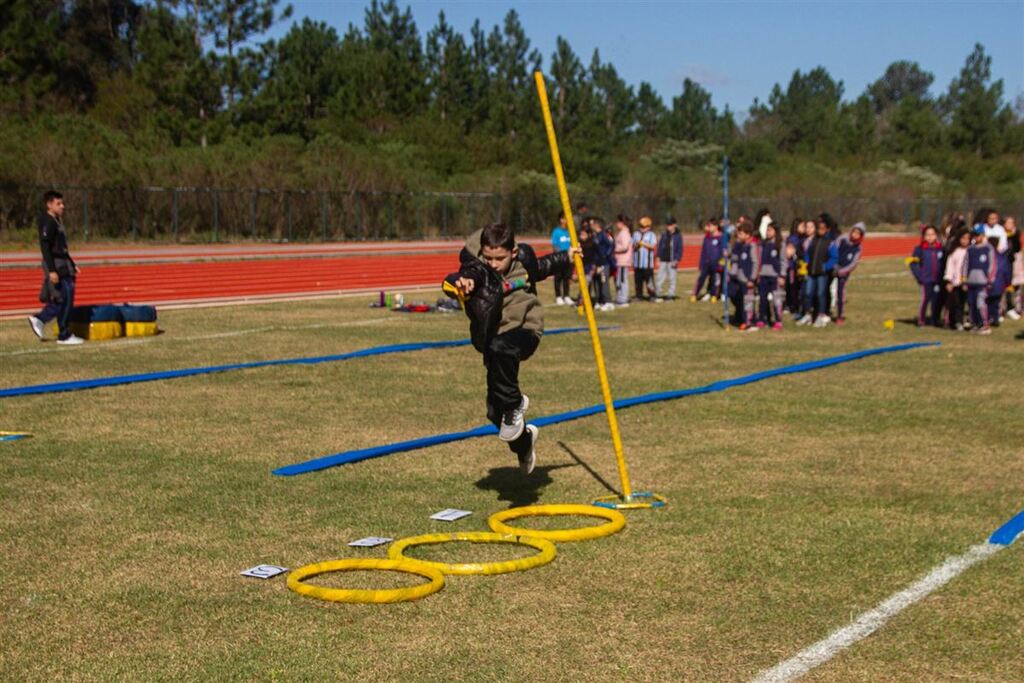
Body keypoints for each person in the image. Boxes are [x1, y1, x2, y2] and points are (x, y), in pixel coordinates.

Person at [442, 223, 574, 474]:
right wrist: (460, 283)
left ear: (513, 252)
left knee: (502, 350)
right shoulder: (478, 269)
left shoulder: (524, 260)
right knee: (495, 413)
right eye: (488, 257)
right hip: (494, 339)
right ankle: (524, 444)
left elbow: (543, 267)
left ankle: (515, 404)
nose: (493, 264)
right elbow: (461, 277)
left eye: (499, 259)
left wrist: (568, 257)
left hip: (526, 329)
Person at [28, 190, 84, 345]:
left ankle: (48, 324)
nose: (62, 206)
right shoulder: (48, 221)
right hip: (56, 264)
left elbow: (61, 247)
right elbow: (45, 247)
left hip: (63, 263)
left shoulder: (56, 220)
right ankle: (60, 332)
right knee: (64, 297)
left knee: (64, 298)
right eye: (58, 203)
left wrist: (72, 264)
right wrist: (52, 270)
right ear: (49, 204)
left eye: (62, 203)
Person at [797, 218, 837, 328]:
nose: (820, 230)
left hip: (822, 274)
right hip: (811, 272)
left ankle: (821, 315)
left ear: (827, 229)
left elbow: (834, 257)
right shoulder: (813, 241)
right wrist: (807, 263)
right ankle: (807, 315)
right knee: (808, 293)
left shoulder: (830, 243)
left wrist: (826, 267)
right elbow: (807, 253)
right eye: (819, 228)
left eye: (823, 228)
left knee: (820, 294)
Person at [962, 224, 997, 334]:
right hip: (971, 281)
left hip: (983, 282)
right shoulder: (970, 249)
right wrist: (964, 279)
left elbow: (993, 265)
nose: (976, 237)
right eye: (974, 235)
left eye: (978, 235)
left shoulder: (988, 248)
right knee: (971, 303)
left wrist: (990, 279)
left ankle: (985, 325)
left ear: (983, 235)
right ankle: (975, 324)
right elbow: (965, 264)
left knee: (980, 303)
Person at [910, 225, 945, 327]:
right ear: (924, 236)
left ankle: (935, 319)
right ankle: (921, 320)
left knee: (936, 300)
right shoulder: (919, 249)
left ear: (936, 235)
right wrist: (919, 276)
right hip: (926, 280)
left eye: (932, 234)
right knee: (926, 299)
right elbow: (913, 264)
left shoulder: (940, 249)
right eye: (927, 235)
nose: (930, 237)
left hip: (937, 279)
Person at [728, 222, 759, 330]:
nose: (738, 236)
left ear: (748, 234)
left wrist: (752, 279)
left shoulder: (752, 246)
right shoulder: (741, 246)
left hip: (748, 280)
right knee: (741, 300)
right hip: (740, 279)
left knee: (748, 301)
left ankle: (750, 322)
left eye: (741, 234)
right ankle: (744, 319)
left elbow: (755, 263)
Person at [755, 221, 786, 329]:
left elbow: (783, 261)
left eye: (770, 230)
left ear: (776, 231)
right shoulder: (763, 244)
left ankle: (778, 320)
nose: (767, 232)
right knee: (762, 299)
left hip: (775, 276)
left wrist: (782, 276)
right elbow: (759, 260)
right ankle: (762, 318)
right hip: (763, 275)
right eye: (767, 230)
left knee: (776, 299)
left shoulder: (780, 245)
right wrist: (758, 273)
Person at [833, 222, 865, 324]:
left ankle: (839, 316)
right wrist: (834, 266)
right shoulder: (842, 239)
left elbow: (854, 263)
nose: (855, 234)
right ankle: (823, 312)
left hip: (844, 272)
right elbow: (833, 250)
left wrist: (842, 271)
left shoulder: (858, 248)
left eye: (858, 233)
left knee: (840, 293)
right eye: (854, 231)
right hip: (833, 268)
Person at [943, 228, 971, 331]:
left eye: (968, 238)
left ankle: (969, 321)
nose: (965, 241)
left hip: (969, 283)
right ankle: (957, 322)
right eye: (963, 238)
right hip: (956, 283)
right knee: (957, 304)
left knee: (970, 304)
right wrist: (948, 281)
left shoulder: (972, 250)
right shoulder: (954, 252)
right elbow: (950, 267)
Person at [690, 218, 723, 302]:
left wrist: (721, 263)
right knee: (701, 278)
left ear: (716, 226)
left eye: (710, 226)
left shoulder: (721, 237)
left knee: (715, 280)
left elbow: (722, 252)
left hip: (716, 263)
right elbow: (703, 251)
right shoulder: (707, 237)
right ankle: (694, 294)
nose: (709, 227)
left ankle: (714, 295)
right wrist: (701, 263)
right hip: (706, 263)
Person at [655, 216, 683, 299]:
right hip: (663, 259)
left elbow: (680, 249)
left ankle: (671, 294)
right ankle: (657, 293)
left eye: (670, 225)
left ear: (674, 225)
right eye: (667, 225)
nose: (668, 226)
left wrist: (677, 259)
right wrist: (658, 257)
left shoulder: (678, 236)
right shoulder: (664, 235)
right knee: (659, 277)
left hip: (672, 260)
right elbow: (660, 246)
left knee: (672, 278)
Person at [590, 217, 615, 311]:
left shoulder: (603, 235)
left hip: (604, 263)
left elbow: (611, 245)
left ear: (597, 225)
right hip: (596, 263)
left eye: (593, 224)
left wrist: (605, 255)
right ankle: (599, 301)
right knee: (597, 282)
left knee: (604, 282)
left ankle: (608, 302)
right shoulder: (595, 235)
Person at [632, 216, 658, 301]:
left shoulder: (651, 235)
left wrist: (643, 244)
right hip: (637, 262)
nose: (641, 228)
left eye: (643, 227)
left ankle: (652, 295)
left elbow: (653, 246)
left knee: (649, 280)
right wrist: (636, 245)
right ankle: (639, 295)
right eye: (640, 226)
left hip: (647, 263)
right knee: (638, 280)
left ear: (648, 227)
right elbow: (632, 245)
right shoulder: (636, 234)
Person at [550, 212, 572, 305]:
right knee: (558, 277)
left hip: (569, 258)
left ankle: (566, 296)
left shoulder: (570, 231)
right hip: (559, 258)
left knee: (567, 277)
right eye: (563, 218)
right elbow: (555, 245)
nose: (565, 220)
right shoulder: (556, 231)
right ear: (560, 219)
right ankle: (558, 296)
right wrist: (562, 255)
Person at [612, 214, 633, 307]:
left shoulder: (624, 233)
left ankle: (623, 299)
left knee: (623, 280)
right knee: (619, 280)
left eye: (618, 222)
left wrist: (614, 249)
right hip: (620, 261)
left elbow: (624, 246)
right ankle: (620, 297)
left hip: (623, 261)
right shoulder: (622, 232)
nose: (616, 224)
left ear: (622, 223)